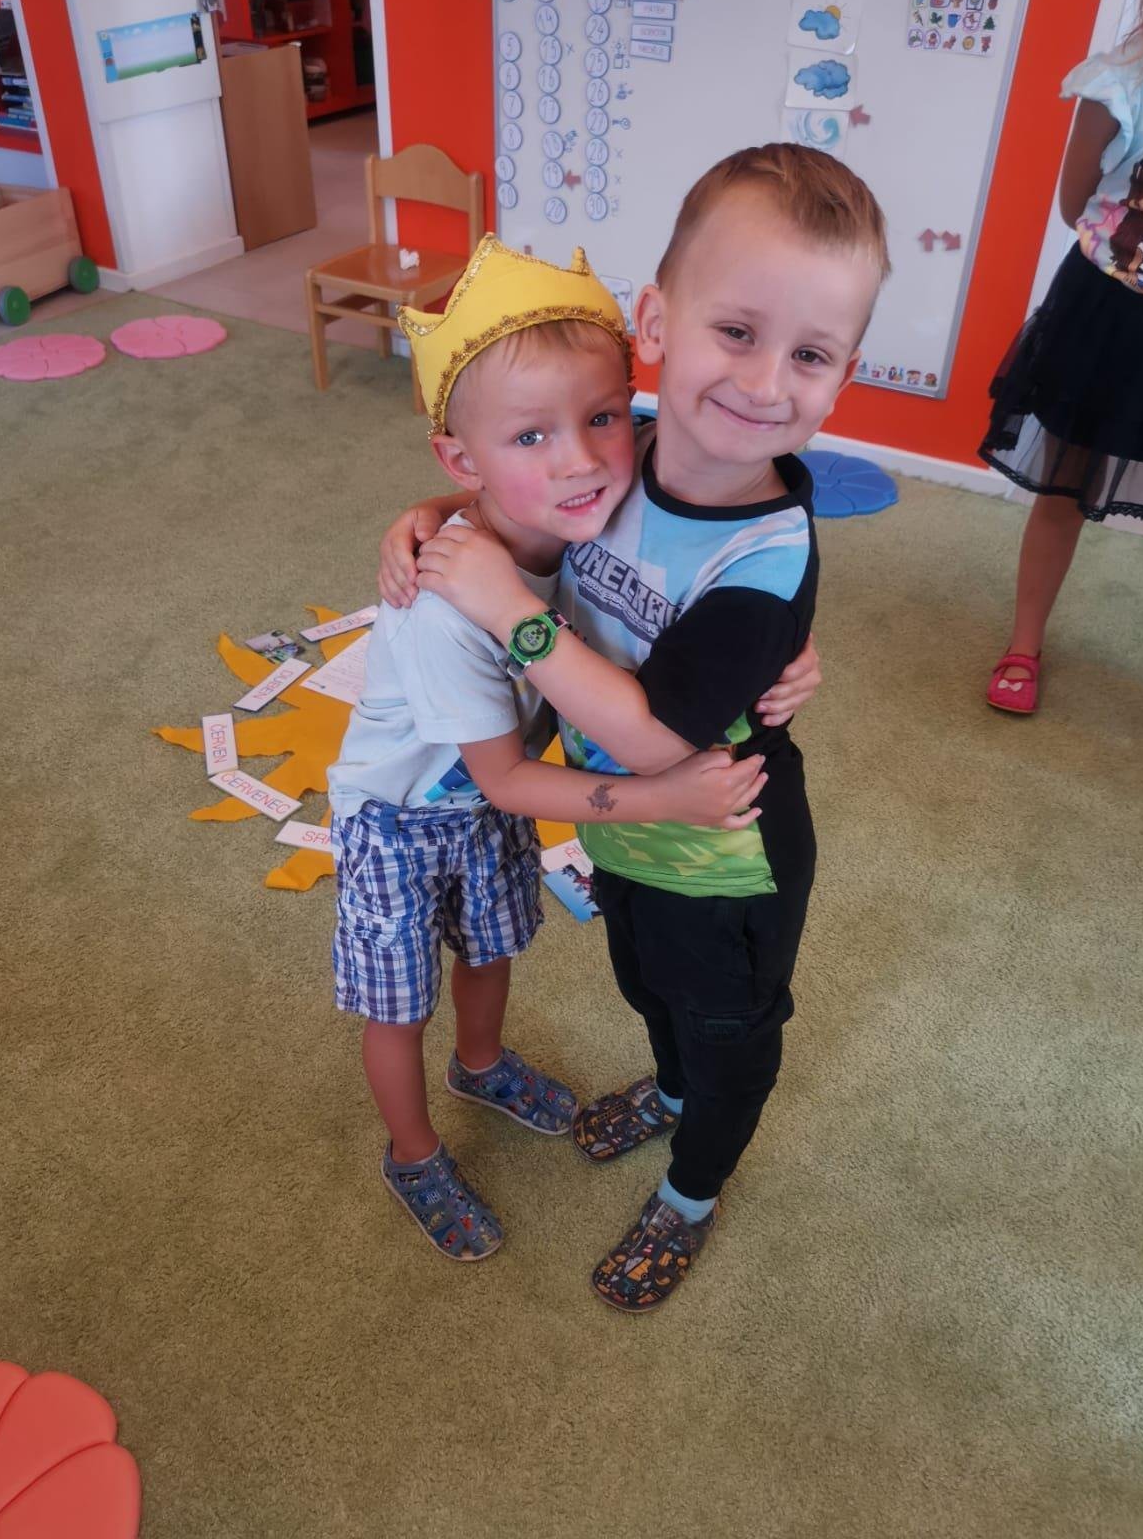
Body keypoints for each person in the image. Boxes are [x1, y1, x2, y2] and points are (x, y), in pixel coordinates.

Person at [394, 145, 889, 1310]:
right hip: (619, 829)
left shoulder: (763, 560)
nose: (764, 383)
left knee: (729, 1032)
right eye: (738, 331)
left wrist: (512, 614)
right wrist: (429, 512)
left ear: (845, 374)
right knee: (644, 980)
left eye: (810, 354)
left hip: (726, 852)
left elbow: (659, 738)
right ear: (657, 320)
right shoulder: (631, 446)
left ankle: (693, 1188)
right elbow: (534, 485)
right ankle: (667, 1088)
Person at [328, 236, 771, 1263]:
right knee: (399, 1006)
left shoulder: (579, 511)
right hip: (401, 821)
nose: (579, 459)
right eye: (530, 435)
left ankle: (480, 1065)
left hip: (486, 808)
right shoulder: (445, 611)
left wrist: (784, 648)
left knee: (492, 950)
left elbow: (725, 542)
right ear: (461, 458)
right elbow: (508, 777)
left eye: (603, 417)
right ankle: (412, 1153)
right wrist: (669, 796)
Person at [980, 0, 1143, 716]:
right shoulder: (1121, 82)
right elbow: (1073, 205)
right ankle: (1023, 645)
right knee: (1064, 485)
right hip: (1107, 321)